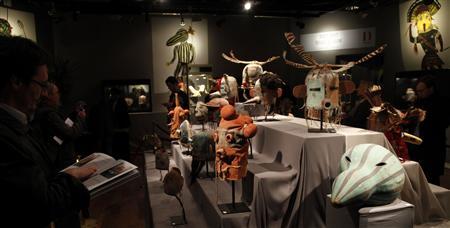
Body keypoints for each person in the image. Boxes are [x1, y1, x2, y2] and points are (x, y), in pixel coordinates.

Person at [0, 36, 96, 227]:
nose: (44, 94)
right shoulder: (6, 136)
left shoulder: (18, 125)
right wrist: (71, 178)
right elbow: (41, 204)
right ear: (17, 81)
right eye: (41, 85)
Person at [32, 82, 87, 170]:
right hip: (60, 161)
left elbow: (65, 125)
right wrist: (81, 118)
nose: (59, 96)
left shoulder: (45, 112)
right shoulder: (49, 115)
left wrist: (74, 114)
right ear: (48, 96)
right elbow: (70, 133)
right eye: (57, 92)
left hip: (55, 159)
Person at [410, 75, 450, 185]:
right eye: (417, 91)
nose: (419, 94)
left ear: (430, 89)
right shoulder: (418, 101)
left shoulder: (442, 102)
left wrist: (425, 116)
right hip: (417, 145)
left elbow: (444, 123)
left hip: (433, 147)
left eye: (421, 91)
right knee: (416, 177)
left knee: (432, 179)